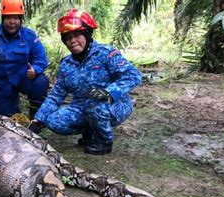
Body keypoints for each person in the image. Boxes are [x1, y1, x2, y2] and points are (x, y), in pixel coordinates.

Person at [29, 9, 142, 155]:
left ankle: (104, 141)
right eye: (68, 37)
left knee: (94, 104)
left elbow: (133, 76)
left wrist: (109, 92)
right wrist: (38, 120)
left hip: (115, 105)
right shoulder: (66, 64)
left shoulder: (106, 53)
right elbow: (55, 96)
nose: (72, 41)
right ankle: (90, 131)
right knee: (53, 120)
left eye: (77, 35)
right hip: (82, 106)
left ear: (87, 35)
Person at [0, 0, 49, 118]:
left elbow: (41, 58)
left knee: (40, 83)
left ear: (20, 20)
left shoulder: (29, 36)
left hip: (24, 77)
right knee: (7, 119)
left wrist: (35, 69)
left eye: (16, 18)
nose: (12, 22)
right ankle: (10, 108)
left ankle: (36, 119)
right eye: (8, 18)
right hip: (1, 83)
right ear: (3, 18)